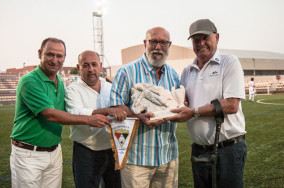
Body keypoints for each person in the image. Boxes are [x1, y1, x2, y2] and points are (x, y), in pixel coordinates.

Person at [10, 38, 117, 188]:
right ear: (40, 53)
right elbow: (51, 114)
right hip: (29, 152)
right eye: (50, 55)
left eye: (59, 56)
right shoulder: (29, 81)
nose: (55, 60)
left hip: (54, 151)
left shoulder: (59, 82)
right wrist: (91, 118)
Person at [166, 19, 247, 188]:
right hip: (199, 150)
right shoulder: (188, 71)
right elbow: (181, 102)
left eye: (205, 38)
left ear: (216, 38)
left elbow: (232, 105)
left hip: (228, 149)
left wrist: (193, 111)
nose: (201, 43)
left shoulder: (229, 62)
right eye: (196, 40)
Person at [110, 27, 180, 188]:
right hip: (136, 160)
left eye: (163, 43)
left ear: (169, 45)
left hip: (167, 157)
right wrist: (138, 116)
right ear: (145, 43)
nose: (158, 47)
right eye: (153, 41)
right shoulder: (126, 72)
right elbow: (115, 106)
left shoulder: (173, 75)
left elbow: (178, 105)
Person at [65, 50, 126, 188]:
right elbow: (76, 112)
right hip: (86, 151)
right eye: (85, 65)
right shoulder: (73, 89)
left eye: (94, 64)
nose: (91, 69)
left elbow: (124, 107)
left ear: (100, 66)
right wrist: (107, 110)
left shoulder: (110, 87)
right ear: (79, 67)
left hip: (113, 150)